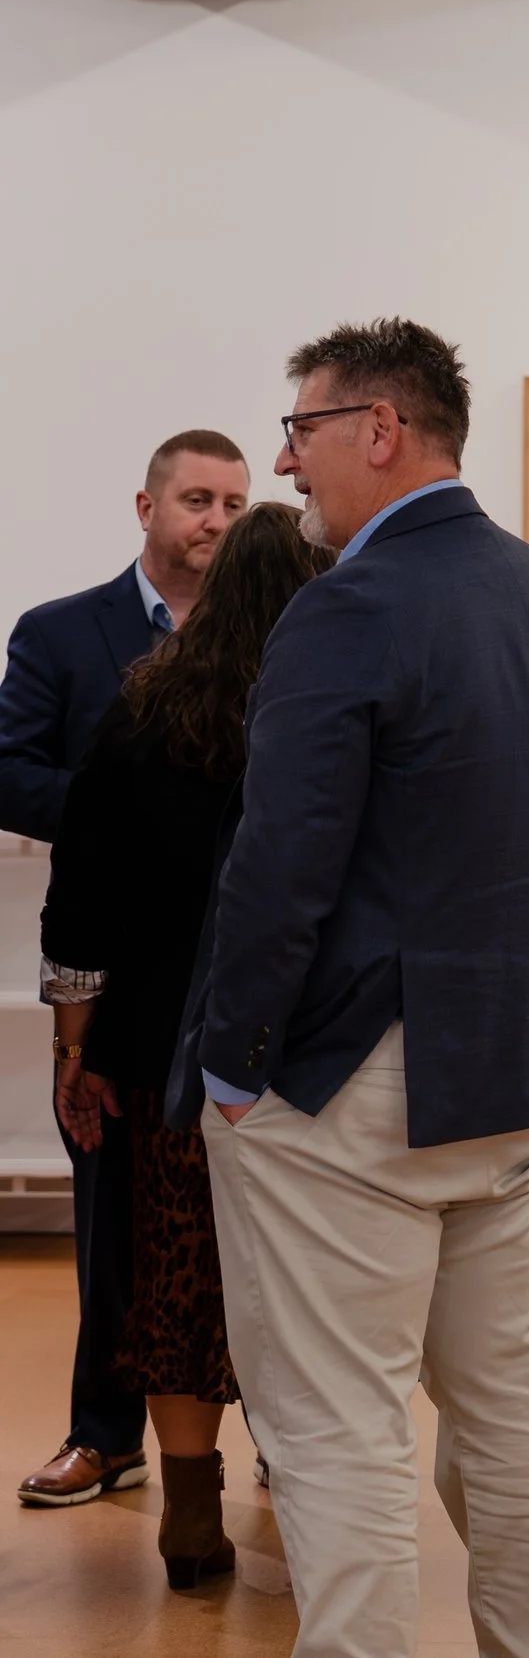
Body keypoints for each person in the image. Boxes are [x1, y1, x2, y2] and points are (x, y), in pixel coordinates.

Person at [184, 319, 529, 1658]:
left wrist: (233, 1059)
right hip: (507, 1064)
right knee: (510, 1402)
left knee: (331, 1419)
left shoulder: (352, 605)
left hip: (351, 1074)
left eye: (300, 431)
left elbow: (281, 861)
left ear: (381, 429)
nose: (285, 462)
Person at [40, 501, 333, 1584]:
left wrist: (77, 1049)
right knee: (298, 1288)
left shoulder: (140, 712)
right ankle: (302, 1493)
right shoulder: (321, 716)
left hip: (157, 1050)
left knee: (174, 1282)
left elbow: (79, 904)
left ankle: (191, 1514)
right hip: (300, 1054)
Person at [8, 428, 250, 1509]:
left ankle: (280, 1445)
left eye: (236, 504)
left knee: (261, 1230)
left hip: (248, 970)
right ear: (144, 506)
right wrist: (128, 814)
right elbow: (8, 769)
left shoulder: (284, 637)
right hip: (121, 977)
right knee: (116, 1223)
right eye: (197, 498)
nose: (216, 520)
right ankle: (104, 1434)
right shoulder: (63, 633)